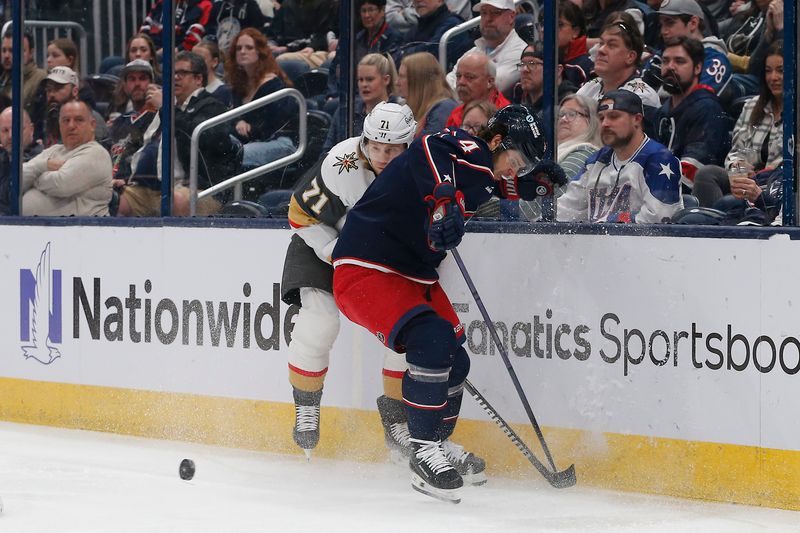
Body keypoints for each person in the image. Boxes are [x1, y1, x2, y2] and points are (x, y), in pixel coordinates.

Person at [330, 105, 567, 502]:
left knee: (456, 359)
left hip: (413, 276)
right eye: (517, 159)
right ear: (496, 141)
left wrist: (537, 186)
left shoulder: (481, 171)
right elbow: (427, 145)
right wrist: (444, 200)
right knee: (434, 340)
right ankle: (422, 452)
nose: (517, 169)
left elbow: (493, 186)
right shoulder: (463, 145)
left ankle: (436, 443)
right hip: (367, 268)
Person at [282, 102, 417, 459]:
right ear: (365, 141)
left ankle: (396, 420)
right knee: (320, 322)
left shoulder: (423, 169)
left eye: (391, 150)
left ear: (408, 145)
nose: (382, 156)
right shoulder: (342, 163)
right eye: (375, 147)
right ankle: (307, 406)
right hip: (321, 245)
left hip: (380, 257)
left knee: (407, 331)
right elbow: (299, 214)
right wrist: (336, 252)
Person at [118, 51, 240, 216]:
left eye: (182, 73)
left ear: (198, 79)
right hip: (158, 187)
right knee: (119, 201)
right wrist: (124, 178)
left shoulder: (212, 106)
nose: (175, 77)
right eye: (173, 73)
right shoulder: (170, 107)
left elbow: (195, 138)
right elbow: (139, 145)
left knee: (176, 200)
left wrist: (167, 109)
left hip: (202, 190)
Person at [557, 90, 683, 223]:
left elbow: (659, 217)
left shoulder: (658, 160)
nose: (605, 123)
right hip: (598, 241)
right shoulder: (595, 161)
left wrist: (611, 220)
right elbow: (565, 210)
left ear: (637, 119)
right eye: (601, 118)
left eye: (613, 116)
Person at [692, 40, 783, 209]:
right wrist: (738, 167)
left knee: (731, 202)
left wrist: (769, 172)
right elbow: (736, 152)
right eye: (768, 71)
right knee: (706, 174)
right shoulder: (751, 106)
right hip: (747, 180)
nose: (773, 77)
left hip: (777, 184)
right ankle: (709, 225)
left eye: (781, 71)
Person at [652, 36, 730, 190]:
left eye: (679, 61)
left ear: (698, 68)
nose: (670, 67)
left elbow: (692, 171)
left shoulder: (707, 108)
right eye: (665, 61)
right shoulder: (663, 111)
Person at [21, 100, 112, 216]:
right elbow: (18, 180)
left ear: (92, 125)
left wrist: (34, 176)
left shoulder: (97, 154)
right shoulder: (53, 151)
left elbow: (61, 184)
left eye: (79, 120)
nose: (71, 126)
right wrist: (42, 166)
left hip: (83, 230)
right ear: (59, 125)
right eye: (66, 120)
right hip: (35, 229)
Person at [520, 94, 601, 220]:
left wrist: (490, 205)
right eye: (561, 115)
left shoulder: (586, 153)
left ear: (592, 121)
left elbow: (538, 203)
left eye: (572, 114)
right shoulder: (549, 152)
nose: (563, 119)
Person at [226, 28, 297, 171]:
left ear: (260, 51)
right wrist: (239, 120)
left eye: (249, 47)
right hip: (252, 140)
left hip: (280, 142)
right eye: (238, 48)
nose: (243, 51)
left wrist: (251, 128)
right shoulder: (239, 84)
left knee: (237, 153)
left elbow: (275, 126)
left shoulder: (274, 85)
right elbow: (232, 115)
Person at [576, 13, 660, 133]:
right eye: (601, 43)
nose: (601, 50)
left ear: (630, 57)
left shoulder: (642, 97)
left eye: (611, 45)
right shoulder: (589, 88)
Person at [444, 0, 527, 96]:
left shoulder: (520, 53)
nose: (488, 18)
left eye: (495, 13)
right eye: (484, 13)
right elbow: (446, 86)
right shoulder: (473, 51)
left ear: (511, 17)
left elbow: (487, 89)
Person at [324, 53, 398, 151]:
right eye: (360, 80)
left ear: (386, 79)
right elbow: (327, 151)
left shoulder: (399, 115)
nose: (364, 84)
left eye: (369, 79)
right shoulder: (346, 110)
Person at [108, 59, 159, 187]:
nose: (137, 84)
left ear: (152, 85)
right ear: (125, 86)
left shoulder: (159, 118)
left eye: (142, 79)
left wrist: (125, 181)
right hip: (110, 183)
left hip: (138, 187)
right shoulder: (119, 122)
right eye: (132, 79)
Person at [39, 67, 108, 148]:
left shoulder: (91, 118)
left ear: (74, 91)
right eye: (49, 90)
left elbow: (91, 155)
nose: (51, 94)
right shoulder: (50, 117)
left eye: (58, 88)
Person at [393, 0, 472, 71]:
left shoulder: (453, 25)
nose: (418, 1)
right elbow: (396, 58)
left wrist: (406, 53)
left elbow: (431, 56)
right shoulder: (416, 28)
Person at [396, 52, 457, 137]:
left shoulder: (443, 109)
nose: (397, 82)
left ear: (419, 80)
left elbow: (427, 148)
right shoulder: (414, 108)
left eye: (402, 77)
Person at [445, 51, 510, 127]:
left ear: (489, 81)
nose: (461, 82)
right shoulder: (455, 114)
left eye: (469, 77)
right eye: (458, 76)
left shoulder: (506, 116)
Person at [510, 43, 576, 117]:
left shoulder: (570, 106)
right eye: (522, 64)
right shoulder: (520, 102)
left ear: (557, 71)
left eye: (532, 63)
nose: (525, 69)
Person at [0, 107, 42, 215]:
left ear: (31, 129)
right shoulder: (2, 159)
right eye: (5, 130)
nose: (10, 136)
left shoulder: (42, 160)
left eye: (17, 128)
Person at [0, 30, 47, 115]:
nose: (6, 56)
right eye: (4, 50)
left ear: (31, 53)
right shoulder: (3, 77)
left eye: (12, 50)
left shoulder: (41, 78)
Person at [193, 40, 233, 107]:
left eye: (201, 59)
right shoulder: (187, 88)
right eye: (192, 59)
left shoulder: (223, 92)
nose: (195, 63)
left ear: (214, 62)